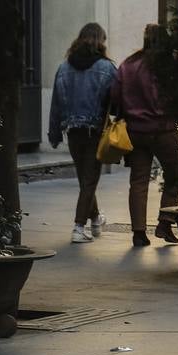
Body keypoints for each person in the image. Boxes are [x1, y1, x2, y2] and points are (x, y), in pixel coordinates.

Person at [111, 23, 178, 247]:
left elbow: (115, 100)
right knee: (174, 175)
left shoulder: (128, 65)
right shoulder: (169, 65)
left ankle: (139, 232)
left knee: (138, 181)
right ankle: (165, 222)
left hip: (135, 131)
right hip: (163, 130)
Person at [48, 22, 117, 244]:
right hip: (95, 130)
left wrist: (54, 133)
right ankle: (79, 227)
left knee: (85, 178)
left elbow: (56, 103)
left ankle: (96, 218)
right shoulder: (106, 68)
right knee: (89, 179)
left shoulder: (64, 67)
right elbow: (117, 100)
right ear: (100, 42)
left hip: (73, 131)